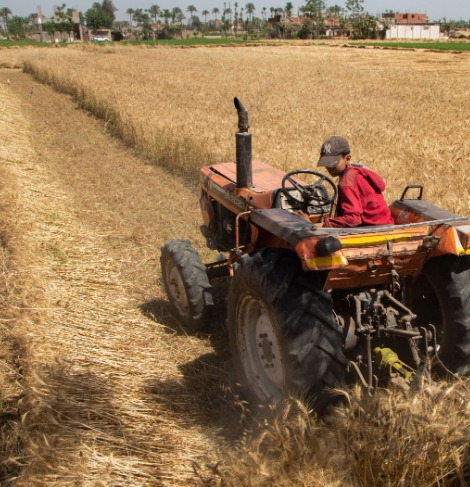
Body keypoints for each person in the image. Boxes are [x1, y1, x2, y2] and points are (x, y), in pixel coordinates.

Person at [317, 136, 394, 228]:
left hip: (375, 229)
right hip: (385, 222)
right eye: (327, 163)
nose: (329, 167)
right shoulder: (357, 172)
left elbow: (353, 219)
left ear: (347, 158)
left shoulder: (347, 183)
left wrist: (320, 225)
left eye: (333, 163)